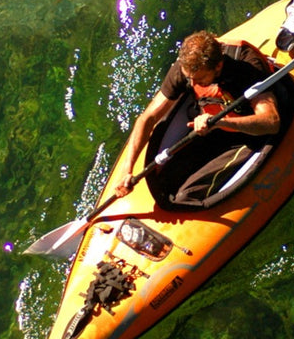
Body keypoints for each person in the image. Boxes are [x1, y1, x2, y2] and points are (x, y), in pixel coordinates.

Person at [115, 30, 281, 208]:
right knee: (163, 180)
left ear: (218, 66)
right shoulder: (186, 68)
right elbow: (147, 118)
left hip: (246, 137)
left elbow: (271, 122)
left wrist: (220, 122)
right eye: (189, 78)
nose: (192, 84)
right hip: (210, 130)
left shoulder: (247, 68)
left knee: (186, 196)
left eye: (200, 79)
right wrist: (127, 168)